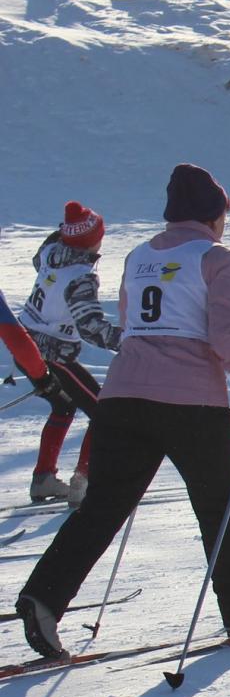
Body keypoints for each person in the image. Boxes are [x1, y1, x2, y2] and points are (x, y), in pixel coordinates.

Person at [16, 164, 230, 659]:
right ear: (212, 214)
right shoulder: (218, 259)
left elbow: (132, 323)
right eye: (224, 213)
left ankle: (44, 597)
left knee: (102, 507)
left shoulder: (139, 255)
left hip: (123, 397)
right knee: (222, 507)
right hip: (190, 404)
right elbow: (229, 338)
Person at [15, 201, 120, 506]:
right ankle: (83, 481)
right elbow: (90, 326)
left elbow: (44, 256)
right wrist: (128, 340)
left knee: (63, 406)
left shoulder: (51, 251)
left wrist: (68, 231)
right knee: (103, 413)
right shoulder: (81, 275)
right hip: (53, 353)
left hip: (25, 346)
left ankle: (44, 479)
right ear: (93, 240)